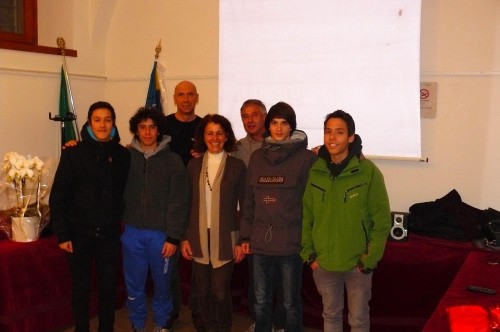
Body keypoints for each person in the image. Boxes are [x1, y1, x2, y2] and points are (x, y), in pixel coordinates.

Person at [301, 110, 391, 332]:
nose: (332, 138)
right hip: (323, 263)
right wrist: (309, 255)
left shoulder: (368, 172)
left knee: (358, 320)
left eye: (339, 132)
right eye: (328, 132)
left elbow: (381, 221)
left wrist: (368, 260)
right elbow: (306, 216)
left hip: (356, 265)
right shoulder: (316, 171)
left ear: (351, 137)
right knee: (330, 316)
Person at [49, 101, 131, 332]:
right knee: (80, 288)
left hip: (109, 235)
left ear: (113, 122)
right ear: (89, 122)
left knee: (107, 287)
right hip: (78, 234)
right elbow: (58, 196)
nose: (102, 124)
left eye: (107, 119)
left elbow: (125, 191)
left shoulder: (123, 155)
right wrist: (63, 234)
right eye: (97, 119)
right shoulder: (73, 153)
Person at [240, 102, 317, 332]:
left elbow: (311, 204)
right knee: (261, 301)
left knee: (290, 303)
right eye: (274, 122)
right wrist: (245, 236)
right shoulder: (256, 159)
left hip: (291, 245)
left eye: (284, 123)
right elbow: (249, 201)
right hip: (260, 243)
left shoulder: (306, 159)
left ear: (292, 127)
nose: (279, 128)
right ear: (268, 125)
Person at [121, 107, 189, 332]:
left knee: (163, 286)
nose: (147, 132)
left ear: (159, 130)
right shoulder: (126, 157)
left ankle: (162, 324)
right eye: (142, 127)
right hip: (131, 233)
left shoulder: (173, 161)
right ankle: (137, 324)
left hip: (161, 235)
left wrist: (173, 237)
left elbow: (178, 202)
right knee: (134, 286)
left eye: (152, 127)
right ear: (136, 130)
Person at [181, 114, 246, 332]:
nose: (215, 137)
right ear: (203, 136)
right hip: (197, 236)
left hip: (225, 238)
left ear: (226, 136)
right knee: (203, 291)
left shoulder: (237, 166)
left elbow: (246, 207)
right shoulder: (193, 165)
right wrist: (183, 238)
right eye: (210, 133)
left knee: (220, 292)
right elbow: (185, 204)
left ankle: (224, 328)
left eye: (220, 133)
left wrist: (242, 240)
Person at [232, 99, 286, 332]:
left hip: (280, 222)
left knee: (282, 282)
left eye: (255, 115)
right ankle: (260, 322)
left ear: (264, 117)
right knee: (258, 279)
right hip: (252, 222)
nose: (250, 120)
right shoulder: (235, 148)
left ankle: (281, 324)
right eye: (245, 116)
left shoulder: (280, 144)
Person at [161, 80, 203, 329]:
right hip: (170, 204)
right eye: (181, 95)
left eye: (190, 95)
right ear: (175, 98)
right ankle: (172, 310)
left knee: (199, 262)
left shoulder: (205, 127)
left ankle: (198, 312)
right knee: (170, 264)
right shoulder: (163, 125)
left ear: (196, 98)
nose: (186, 99)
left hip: (199, 203)